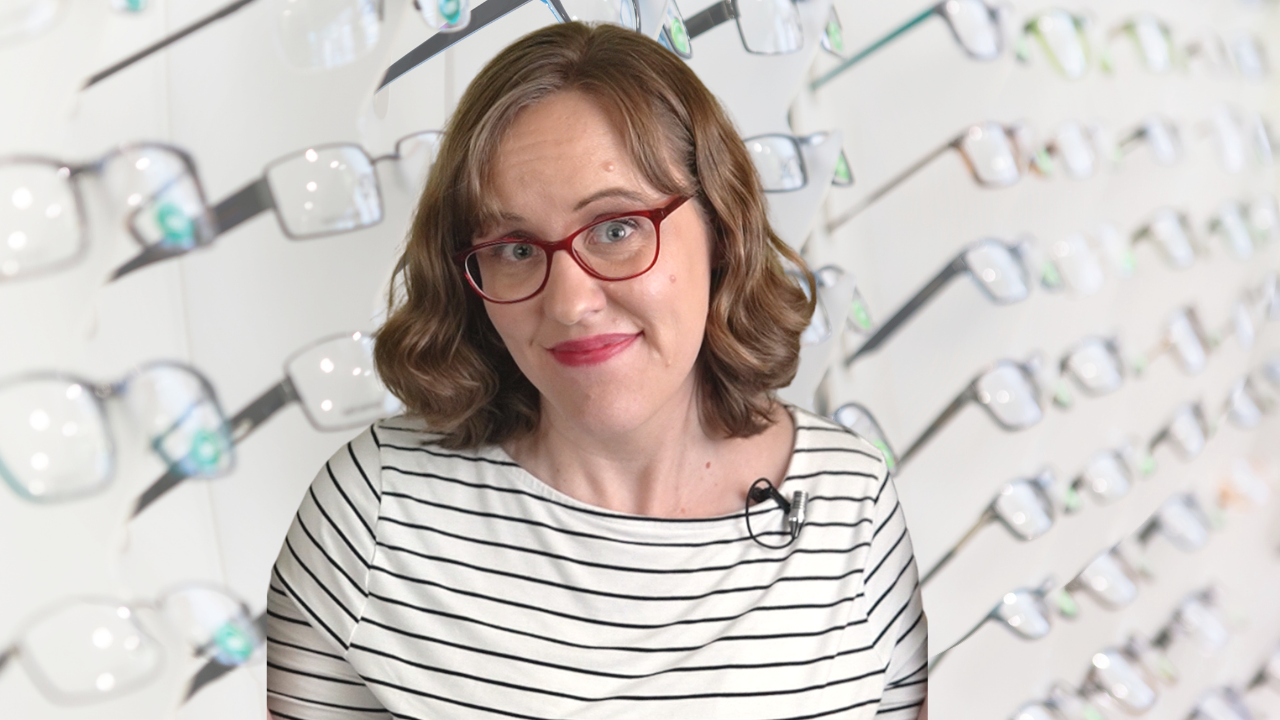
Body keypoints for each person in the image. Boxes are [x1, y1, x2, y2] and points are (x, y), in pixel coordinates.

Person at [265, 21, 927, 720]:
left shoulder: (853, 506)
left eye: (616, 229)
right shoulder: (376, 511)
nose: (571, 303)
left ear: (721, 232)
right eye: (515, 248)